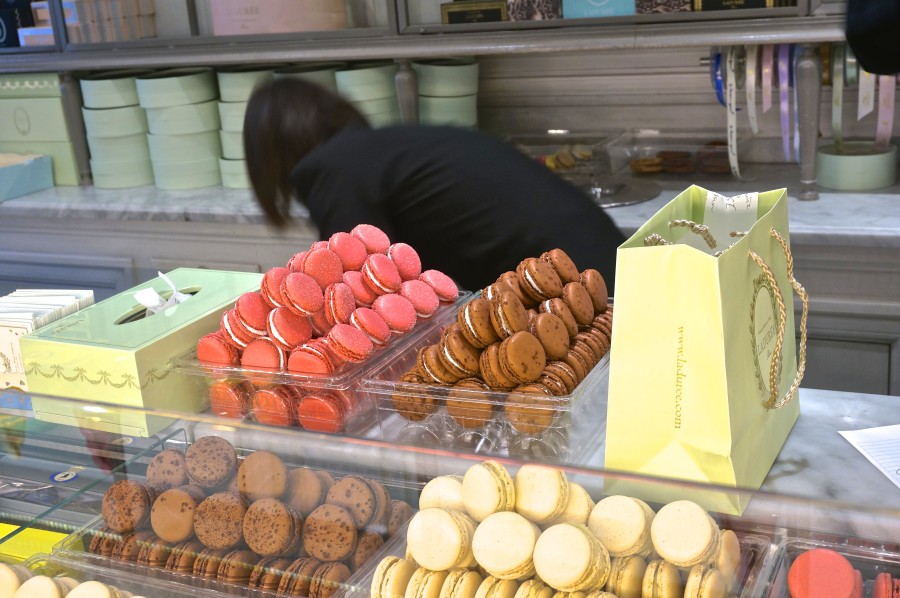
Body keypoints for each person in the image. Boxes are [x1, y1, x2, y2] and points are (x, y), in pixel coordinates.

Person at [243, 77, 626, 292]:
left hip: (575, 281)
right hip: (601, 253)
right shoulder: (383, 150)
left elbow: (356, 292)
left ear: (272, 153)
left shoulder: (332, 168)